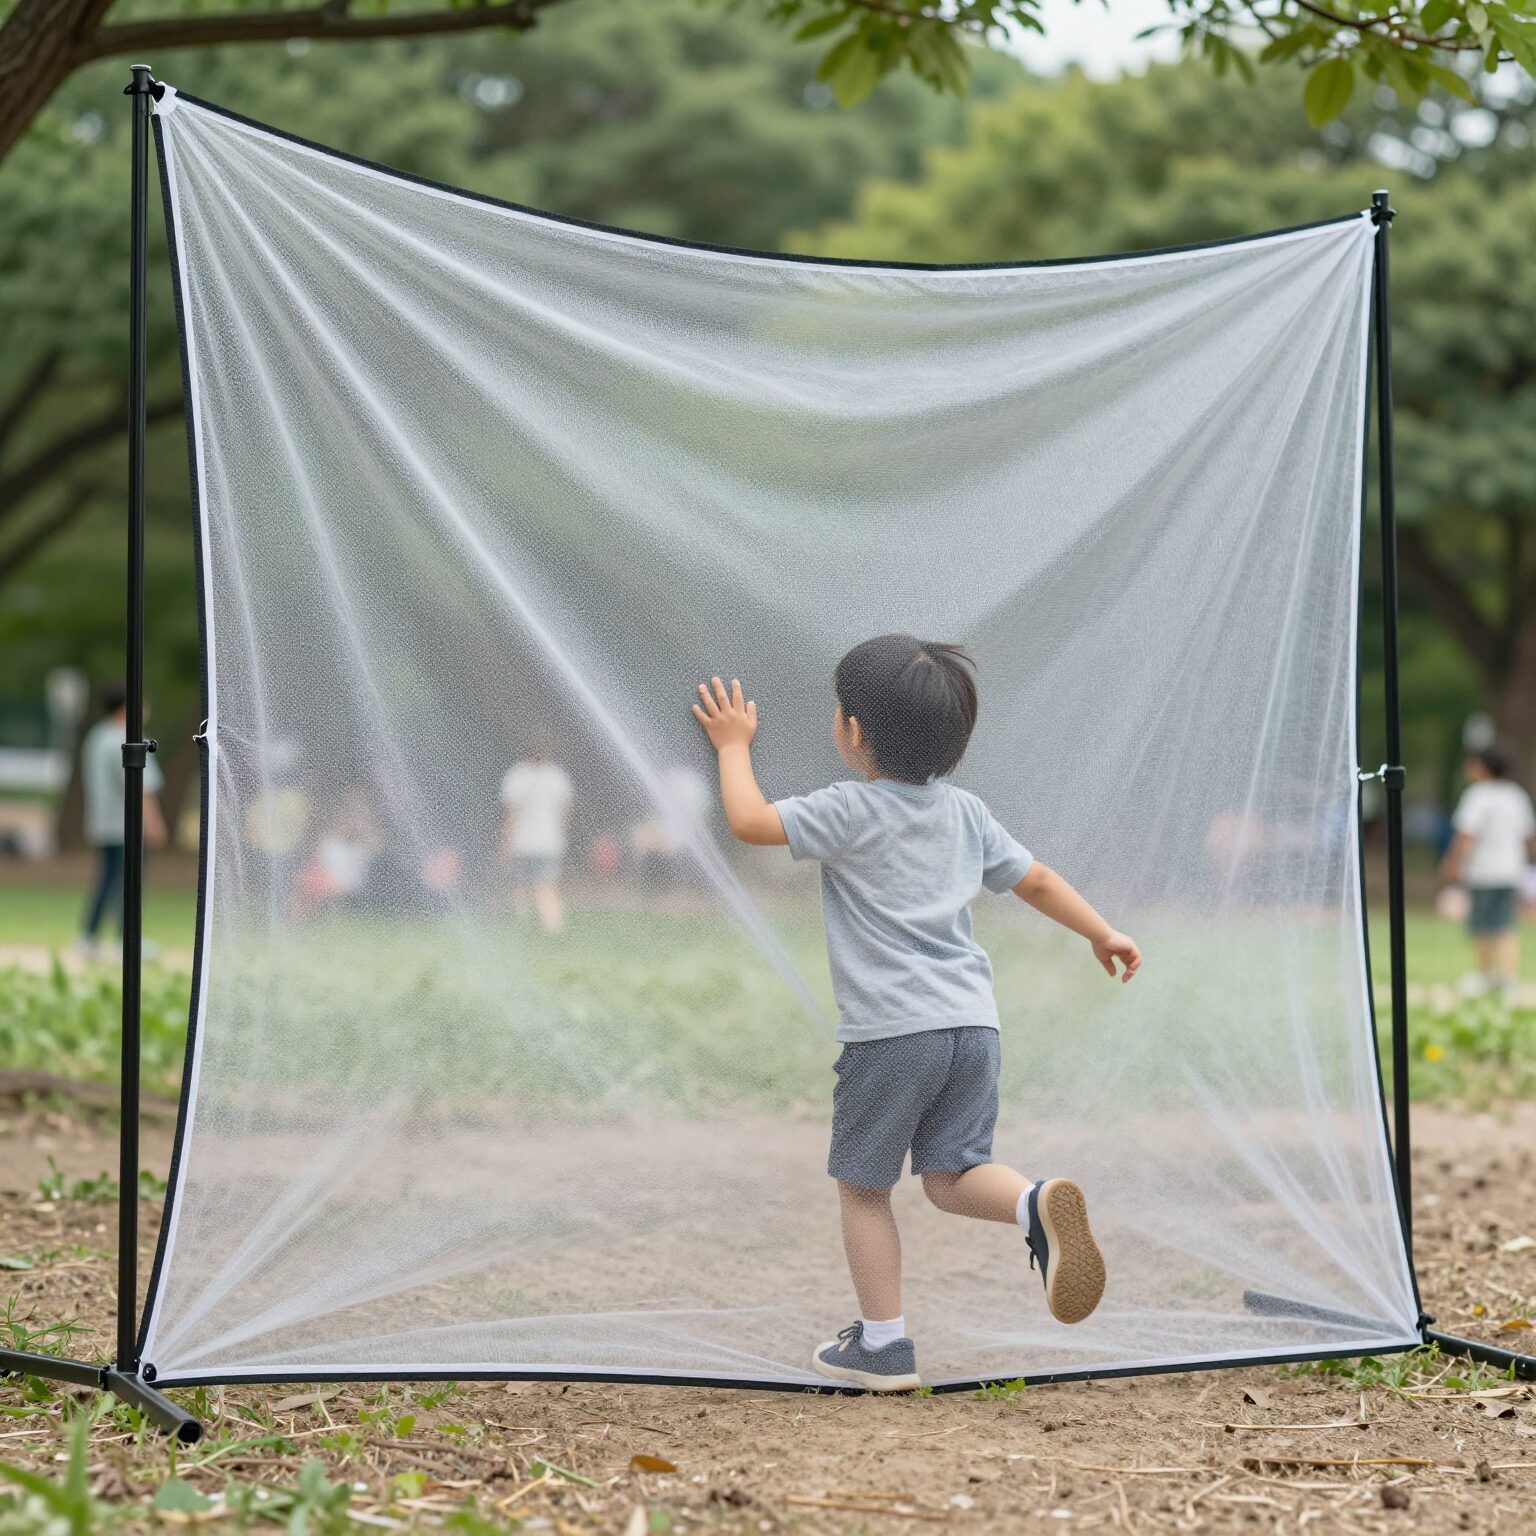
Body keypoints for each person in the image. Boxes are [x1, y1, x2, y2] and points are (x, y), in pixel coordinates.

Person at [690, 635, 1140, 1392]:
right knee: (953, 1175)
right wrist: (1102, 932)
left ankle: (884, 1346)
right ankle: (1031, 1203)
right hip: (973, 1027)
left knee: (865, 1190)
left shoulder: (849, 808)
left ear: (853, 731)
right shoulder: (966, 813)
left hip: (893, 1036)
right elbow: (1034, 880)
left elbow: (750, 822)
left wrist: (733, 746)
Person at [1440, 745, 1535, 994]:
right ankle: (1508, 977)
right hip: (1511, 871)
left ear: (1483, 768)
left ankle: (1484, 974)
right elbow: (1527, 836)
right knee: (1505, 925)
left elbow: (1466, 835)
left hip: (1483, 872)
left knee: (1482, 925)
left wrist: (1453, 864)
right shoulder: (1516, 796)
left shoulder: (1477, 796)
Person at [78, 685, 166, 954]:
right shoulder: (127, 739)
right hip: (126, 824)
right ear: (128, 708)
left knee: (107, 879)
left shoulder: (97, 736)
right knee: (130, 882)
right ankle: (125, 939)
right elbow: (141, 787)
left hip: (102, 821)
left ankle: (89, 937)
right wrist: (154, 823)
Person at [499, 728, 573, 935]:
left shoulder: (517, 776)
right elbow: (566, 812)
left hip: (521, 842)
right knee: (546, 886)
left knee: (521, 886)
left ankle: (523, 926)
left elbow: (511, 815)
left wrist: (504, 843)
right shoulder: (557, 777)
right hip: (549, 843)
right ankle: (552, 926)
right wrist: (560, 835)